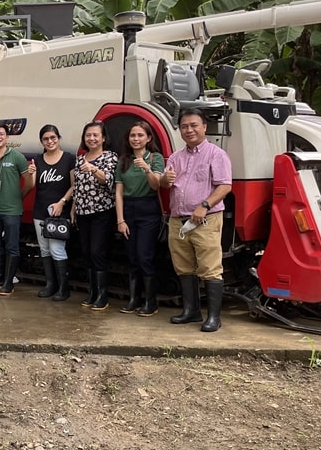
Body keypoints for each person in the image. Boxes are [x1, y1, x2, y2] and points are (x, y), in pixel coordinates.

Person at [161, 108, 232, 332]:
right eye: (184, 126)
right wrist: (164, 179)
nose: (189, 130)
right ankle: (191, 311)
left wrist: (204, 205)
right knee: (183, 267)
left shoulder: (216, 154)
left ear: (204, 127)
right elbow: (165, 185)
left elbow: (225, 186)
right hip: (177, 219)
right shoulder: (175, 157)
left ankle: (213, 317)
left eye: (193, 125)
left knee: (210, 267)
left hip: (205, 219)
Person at [0, 121, 35, 296]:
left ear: (7, 137)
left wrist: (19, 196)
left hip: (12, 211)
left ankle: (8, 283)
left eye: (1, 134)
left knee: (12, 246)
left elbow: (29, 183)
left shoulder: (17, 157)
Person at [115, 121, 165, 316]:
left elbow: (156, 186)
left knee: (145, 256)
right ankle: (134, 299)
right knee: (132, 257)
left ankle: (150, 301)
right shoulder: (123, 161)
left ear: (148, 138)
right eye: (132, 136)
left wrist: (146, 168)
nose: (136, 139)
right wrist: (120, 219)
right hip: (128, 209)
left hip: (148, 208)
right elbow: (118, 192)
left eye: (140, 135)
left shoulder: (155, 157)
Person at [71, 121, 119, 311]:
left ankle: (102, 296)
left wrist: (93, 169)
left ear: (103, 138)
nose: (91, 138)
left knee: (98, 252)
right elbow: (77, 186)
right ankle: (92, 292)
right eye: (88, 135)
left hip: (101, 212)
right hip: (83, 212)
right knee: (86, 253)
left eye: (95, 135)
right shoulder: (80, 158)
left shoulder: (110, 156)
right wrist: (74, 207)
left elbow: (108, 180)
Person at [32, 124, 76, 301]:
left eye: (53, 138)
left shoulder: (69, 159)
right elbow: (32, 185)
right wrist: (30, 174)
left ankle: (63, 289)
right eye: (45, 139)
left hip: (60, 212)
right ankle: (50, 284)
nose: (50, 141)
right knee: (44, 249)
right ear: (41, 141)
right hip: (40, 211)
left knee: (57, 248)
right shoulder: (37, 159)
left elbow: (74, 185)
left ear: (58, 138)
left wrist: (62, 202)